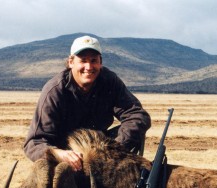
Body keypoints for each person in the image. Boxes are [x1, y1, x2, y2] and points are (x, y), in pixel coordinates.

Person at [24, 35, 151, 171]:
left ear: (100, 62)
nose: (89, 67)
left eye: (93, 60)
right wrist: (58, 154)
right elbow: (34, 143)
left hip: (100, 150)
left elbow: (137, 115)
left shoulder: (110, 81)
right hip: (68, 157)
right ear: (71, 62)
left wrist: (115, 147)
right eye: (83, 61)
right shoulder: (54, 91)